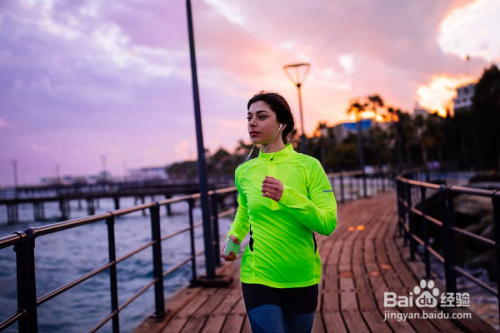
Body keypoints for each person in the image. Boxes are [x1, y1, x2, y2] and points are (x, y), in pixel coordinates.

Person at [221, 91, 338, 333]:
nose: (252, 123)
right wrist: (234, 236)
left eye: (261, 116)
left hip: (301, 276)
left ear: (282, 123)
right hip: (258, 275)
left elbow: (327, 223)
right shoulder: (244, 171)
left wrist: (287, 196)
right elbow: (245, 209)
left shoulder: (309, 167)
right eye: (249, 117)